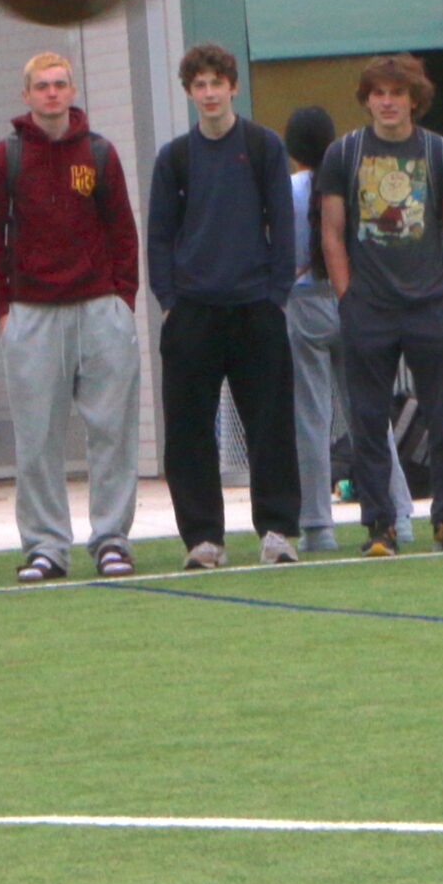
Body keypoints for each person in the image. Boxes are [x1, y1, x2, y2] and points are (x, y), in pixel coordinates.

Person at [0, 51, 143, 583]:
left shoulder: (98, 154)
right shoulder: (4, 159)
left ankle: (112, 539)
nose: (52, 93)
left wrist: (123, 299)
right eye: (42, 86)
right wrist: (1, 308)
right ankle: (46, 546)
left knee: (112, 431)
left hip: (100, 309)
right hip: (31, 314)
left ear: (72, 91)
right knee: (36, 437)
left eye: (60, 84)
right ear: (26, 95)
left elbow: (122, 230)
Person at [146, 44, 301, 570]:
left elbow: (283, 225)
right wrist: (169, 301)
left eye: (217, 82)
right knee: (189, 433)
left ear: (233, 86)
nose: (209, 93)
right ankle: (203, 540)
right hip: (193, 313)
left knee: (271, 426)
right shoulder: (175, 157)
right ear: (189, 92)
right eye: (199, 85)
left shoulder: (263, 146)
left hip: (256, 308)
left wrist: (276, 296)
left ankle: (278, 531)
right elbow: (160, 235)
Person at [316, 53, 443, 555]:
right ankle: (379, 526)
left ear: (414, 99)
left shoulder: (441, 153)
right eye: (378, 93)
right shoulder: (343, 154)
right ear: (366, 100)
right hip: (369, 309)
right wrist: (347, 299)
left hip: (430, 305)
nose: (387, 102)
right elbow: (331, 233)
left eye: (397, 93)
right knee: (367, 422)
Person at [285, 107, 416, 551]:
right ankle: (398, 512)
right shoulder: (352, 183)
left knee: (310, 419)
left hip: (302, 304)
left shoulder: (290, 191)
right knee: (370, 415)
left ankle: (318, 527)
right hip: (353, 301)